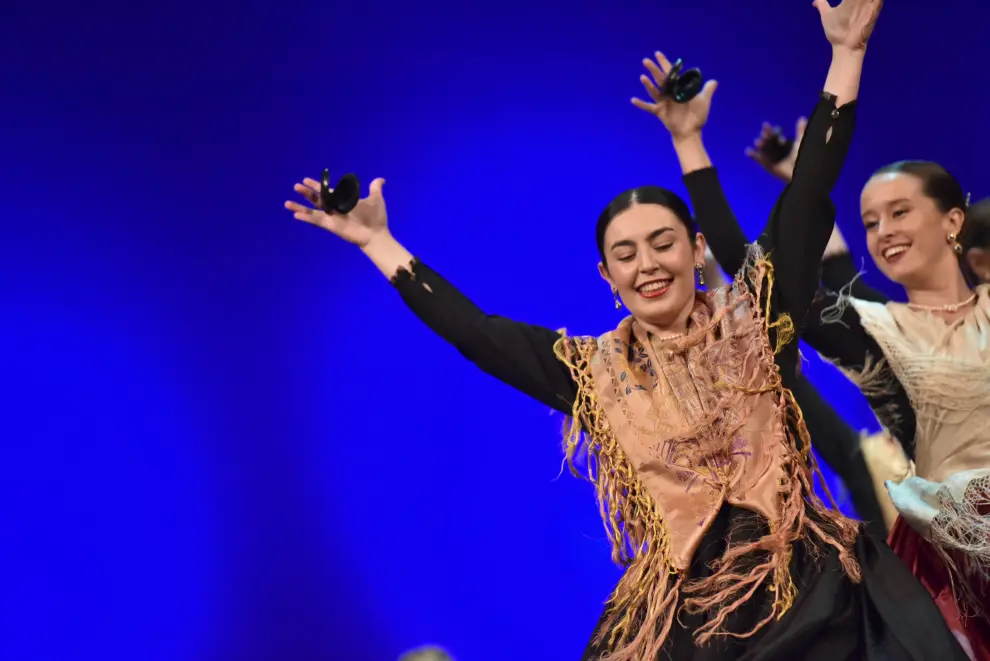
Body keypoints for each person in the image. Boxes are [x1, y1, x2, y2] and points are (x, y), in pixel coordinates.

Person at [286, 2, 968, 659]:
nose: (648, 264)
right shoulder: (589, 369)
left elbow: (806, 195)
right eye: (626, 253)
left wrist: (845, 56)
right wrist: (378, 242)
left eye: (662, 242)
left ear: (697, 249)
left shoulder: (757, 317)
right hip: (686, 618)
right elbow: (475, 330)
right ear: (606, 276)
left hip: (810, 591)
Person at [693, 43, 990, 661]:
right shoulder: (880, 333)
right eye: (871, 221)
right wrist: (693, 150)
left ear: (955, 223)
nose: (882, 233)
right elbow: (770, 276)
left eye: (900, 212)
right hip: (966, 579)